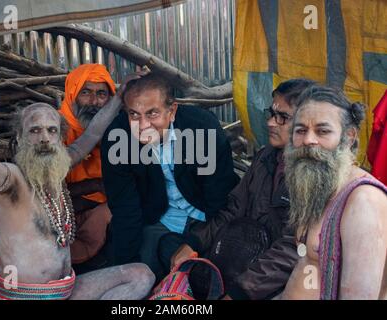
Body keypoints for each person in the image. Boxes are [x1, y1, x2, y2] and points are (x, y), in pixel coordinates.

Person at [0, 81, 155, 300]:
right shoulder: (11, 180)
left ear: (59, 138)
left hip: (65, 292)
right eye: (34, 130)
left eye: (51, 130)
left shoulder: (59, 168)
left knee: (141, 275)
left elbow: (92, 134)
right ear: (20, 138)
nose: (44, 138)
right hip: (24, 298)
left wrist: (120, 95)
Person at [169, 79, 316, 300]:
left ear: (307, 123)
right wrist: (194, 243)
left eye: (282, 117)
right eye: (271, 113)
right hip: (244, 265)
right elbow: (234, 208)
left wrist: (241, 292)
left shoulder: (316, 176)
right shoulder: (265, 157)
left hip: (286, 283)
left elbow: (293, 249)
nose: (270, 123)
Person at [100, 73, 239, 280]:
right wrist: (125, 273)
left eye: (152, 113)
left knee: (214, 276)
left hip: (207, 216)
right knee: (140, 275)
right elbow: (124, 209)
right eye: (134, 115)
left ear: (171, 111)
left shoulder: (202, 128)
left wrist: (197, 242)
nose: (143, 125)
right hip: (160, 218)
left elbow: (221, 199)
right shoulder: (116, 138)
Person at [280, 85, 387, 300]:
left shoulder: (363, 201)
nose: (309, 140)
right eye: (300, 130)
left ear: (348, 137)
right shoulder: (317, 187)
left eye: (323, 131)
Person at [58, 64, 116, 266]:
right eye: (86, 92)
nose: (94, 102)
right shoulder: (53, 131)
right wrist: (97, 186)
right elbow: (47, 195)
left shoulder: (119, 133)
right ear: (72, 93)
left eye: (102, 94)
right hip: (61, 220)